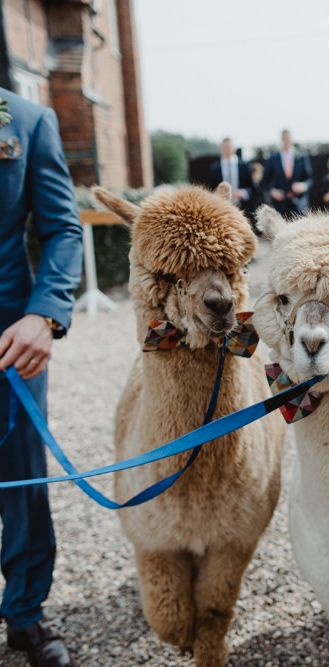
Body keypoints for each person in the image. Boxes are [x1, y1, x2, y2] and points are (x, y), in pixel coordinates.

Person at [0, 87, 83, 667]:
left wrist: (44, 313)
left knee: (22, 478)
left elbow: (62, 229)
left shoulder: (26, 119)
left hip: (11, 339)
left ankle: (25, 614)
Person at [262, 129, 313, 217]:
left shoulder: (302, 156)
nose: (286, 140)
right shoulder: (272, 159)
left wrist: (303, 186)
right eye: (284, 138)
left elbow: (309, 179)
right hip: (280, 206)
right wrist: (272, 191)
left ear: (292, 139)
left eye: (288, 138)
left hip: (299, 204)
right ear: (281, 139)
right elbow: (264, 182)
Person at [208, 137, 252, 209]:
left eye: (229, 147)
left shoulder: (244, 166)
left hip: (242, 207)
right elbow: (211, 189)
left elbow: (251, 187)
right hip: (221, 207)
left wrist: (243, 193)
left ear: (234, 148)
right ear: (221, 149)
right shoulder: (214, 168)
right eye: (224, 147)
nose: (227, 149)